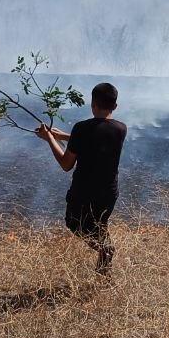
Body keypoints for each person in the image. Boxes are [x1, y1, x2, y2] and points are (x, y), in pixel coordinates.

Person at [36, 83, 126, 273]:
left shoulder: (81, 128)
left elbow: (66, 164)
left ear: (92, 104)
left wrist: (49, 138)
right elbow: (97, 137)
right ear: (115, 106)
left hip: (85, 193)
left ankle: (106, 250)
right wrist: (63, 136)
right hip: (109, 193)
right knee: (99, 224)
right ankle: (104, 275)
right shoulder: (121, 129)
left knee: (74, 223)